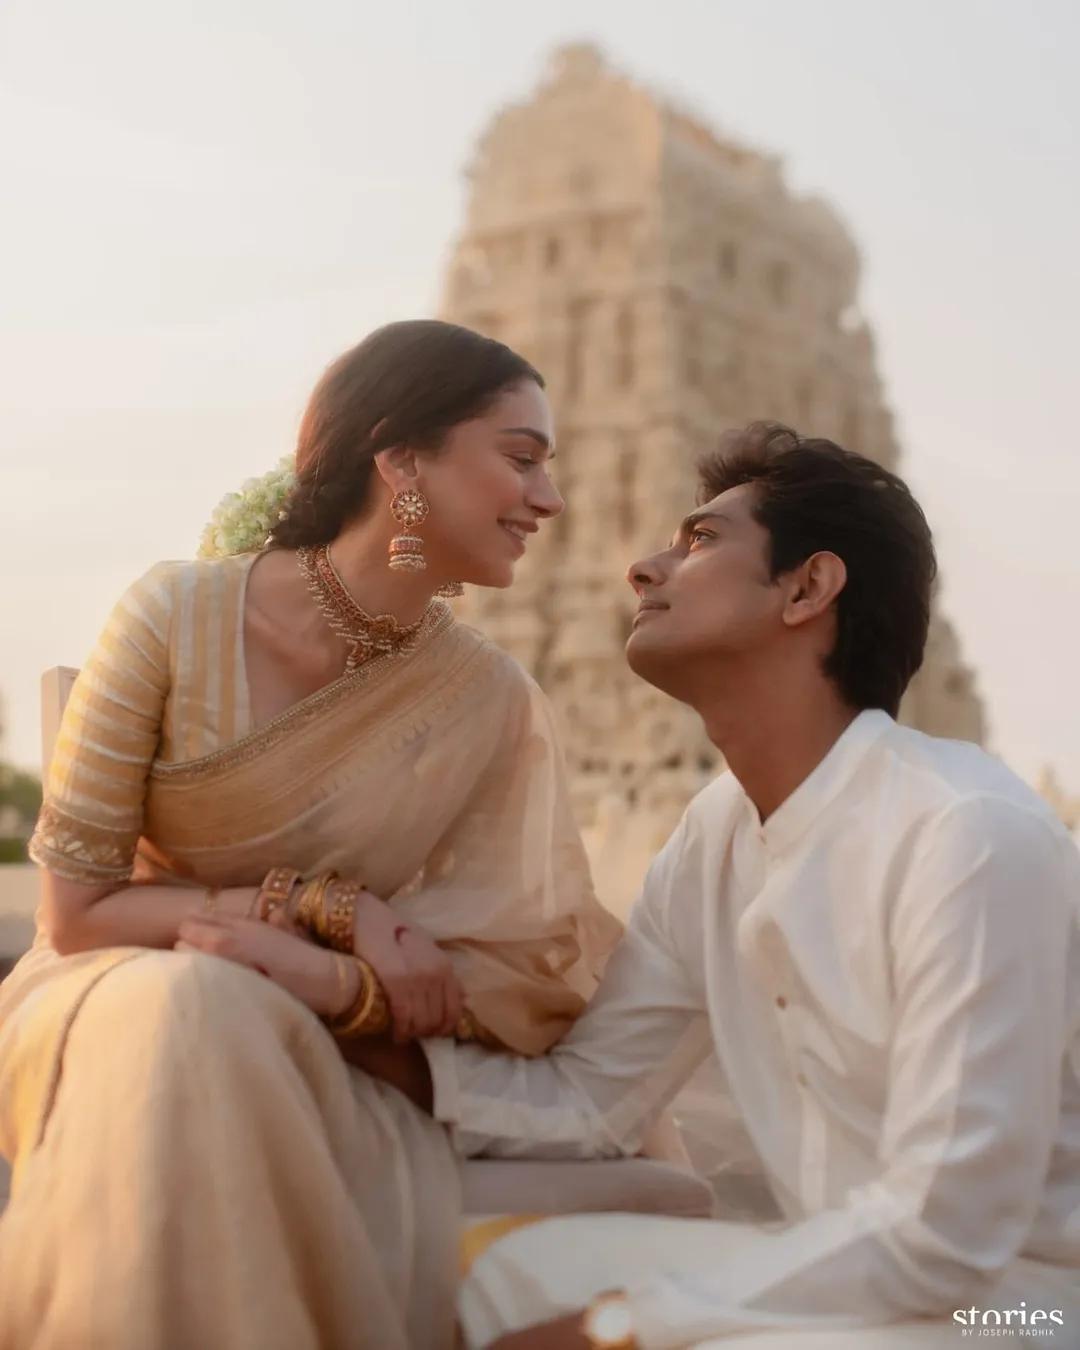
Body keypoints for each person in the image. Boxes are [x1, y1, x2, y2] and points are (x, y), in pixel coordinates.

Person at [358, 423, 1080, 1349]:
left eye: (699, 541)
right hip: (854, 1265)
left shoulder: (967, 834)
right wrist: (371, 1048)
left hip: (1016, 1304)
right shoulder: (717, 834)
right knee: (487, 1272)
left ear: (808, 588)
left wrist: (624, 1324)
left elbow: (948, 1231)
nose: (643, 568)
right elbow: (591, 1104)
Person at [0, 320, 620, 1349]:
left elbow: (521, 964)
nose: (550, 499)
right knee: (192, 1002)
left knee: (211, 1010)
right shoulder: (175, 615)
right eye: (521, 459)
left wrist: (338, 980)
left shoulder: (487, 700)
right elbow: (75, 913)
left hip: (318, 1041)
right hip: (101, 991)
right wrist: (329, 906)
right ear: (402, 460)